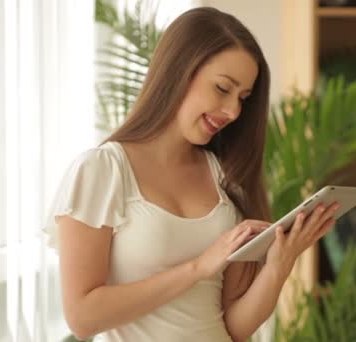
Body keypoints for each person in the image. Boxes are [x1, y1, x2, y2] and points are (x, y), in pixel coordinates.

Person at [42, 7, 338, 342]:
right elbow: (83, 317)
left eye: (243, 98)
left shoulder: (226, 177)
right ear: (179, 70)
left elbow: (234, 328)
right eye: (222, 88)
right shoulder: (102, 172)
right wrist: (198, 268)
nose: (233, 111)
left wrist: (278, 266)